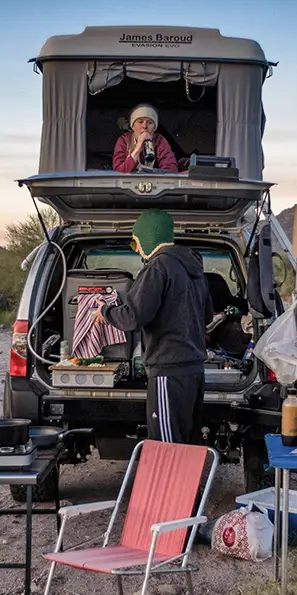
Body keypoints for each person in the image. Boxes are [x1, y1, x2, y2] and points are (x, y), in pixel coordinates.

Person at [94, 210, 213, 444]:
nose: (137, 249)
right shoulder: (195, 269)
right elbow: (207, 315)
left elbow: (132, 317)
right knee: (187, 441)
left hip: (168, 371)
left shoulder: (158, 267)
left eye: (135, 242)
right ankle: (189, 481)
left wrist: (105, 312)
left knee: (166, 445)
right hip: (194, 370)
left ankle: (171, 482)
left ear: (147, 237)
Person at [112, 104, 178, 173]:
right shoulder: (124, 140)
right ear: (133, 126)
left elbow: (171, 170)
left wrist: (146, 170)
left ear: (154, 128)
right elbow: (118, 172)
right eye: (140, 122)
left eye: (150, 123)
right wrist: (137, 149)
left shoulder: (159, 140)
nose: (144, 126)